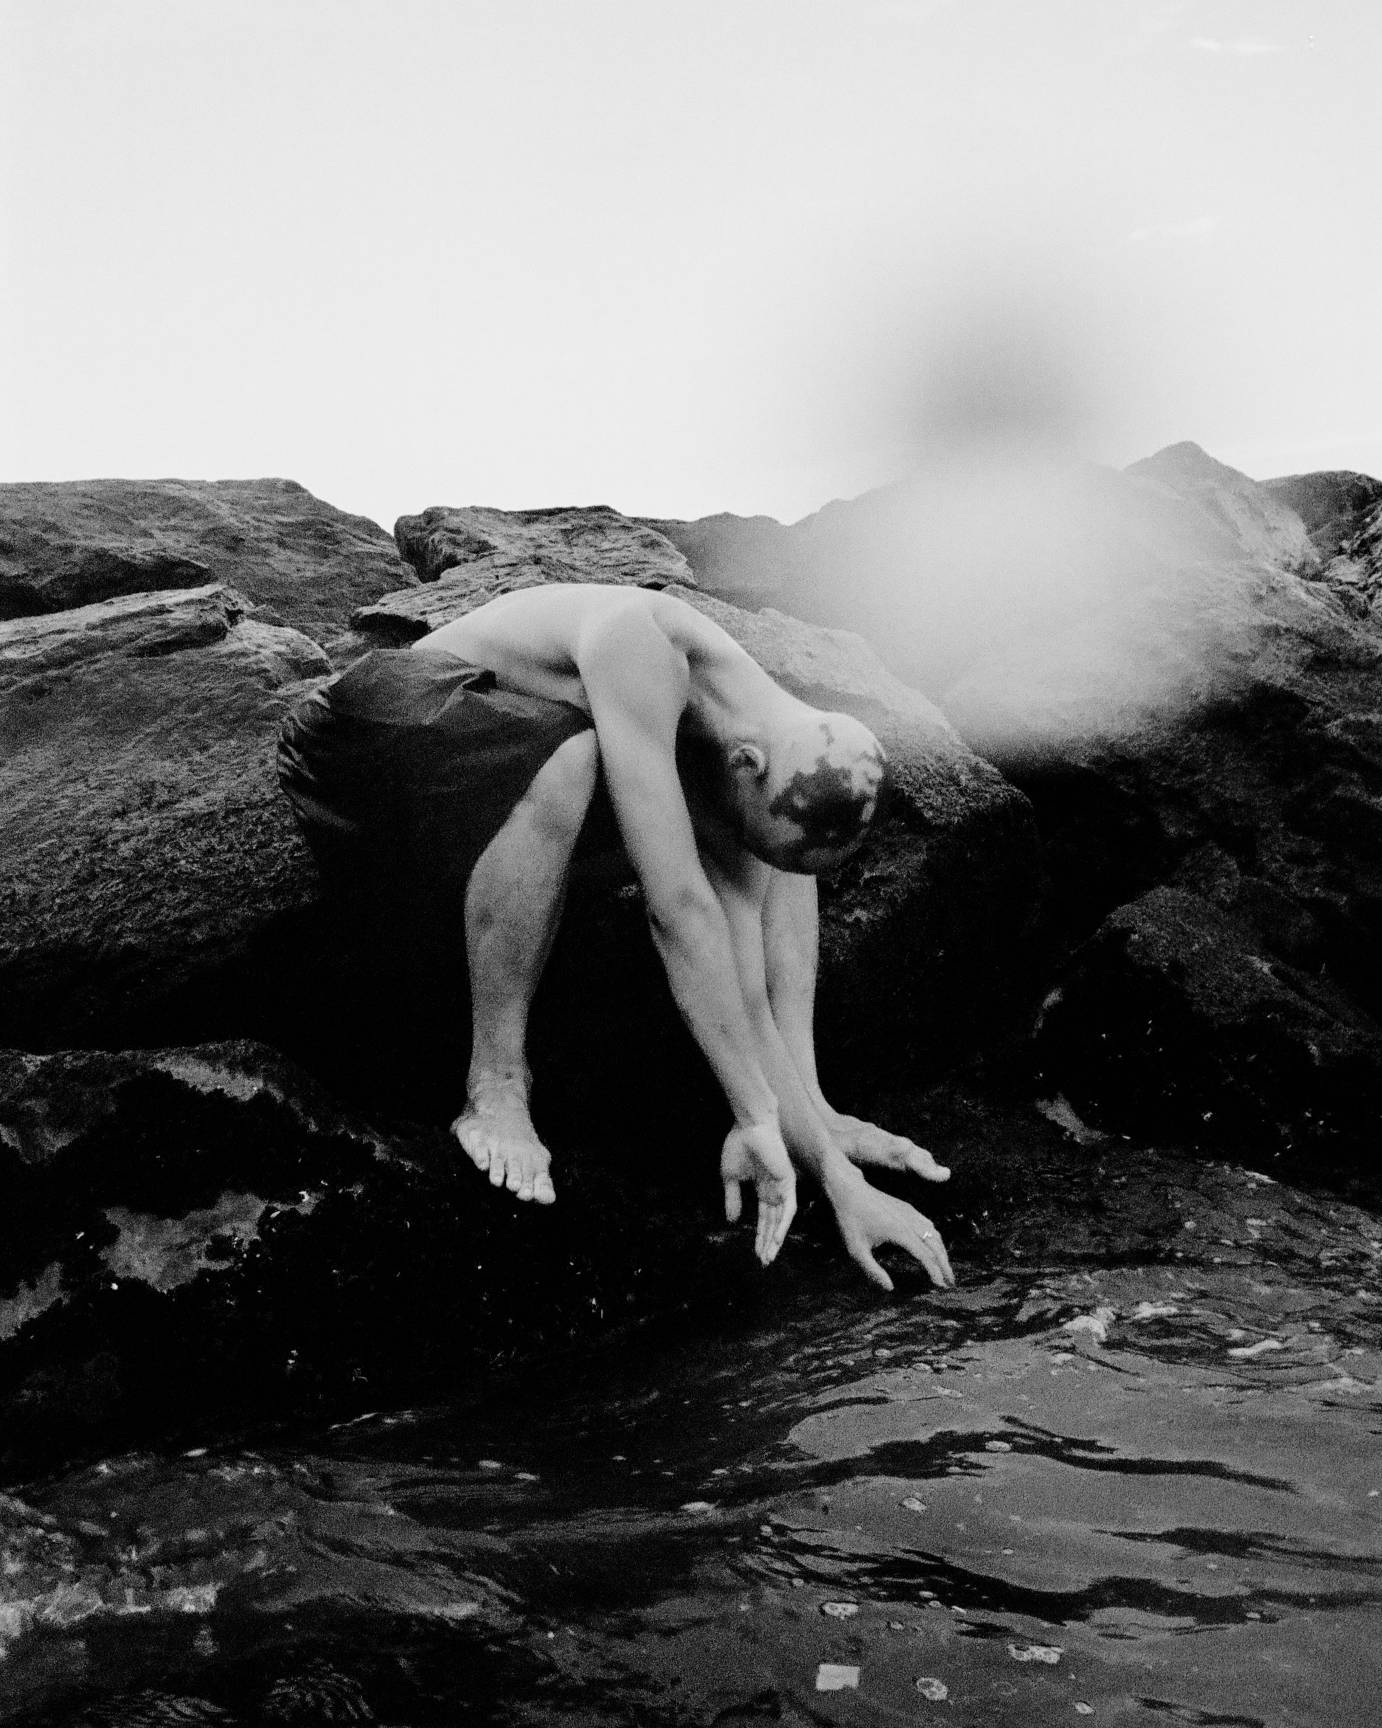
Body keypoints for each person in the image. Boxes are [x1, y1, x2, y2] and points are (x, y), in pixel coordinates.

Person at [279, 582, 954, 1291]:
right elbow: (679, 913)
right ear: (747, 764)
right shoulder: (643, 647)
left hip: (497, 744)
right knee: (569, 758)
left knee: (769, 856)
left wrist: (820, 1151)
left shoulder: (749, 738)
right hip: (380, 717)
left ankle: (813, 1101)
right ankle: (496, 1085)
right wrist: (753, 1112)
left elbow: (744, 980)